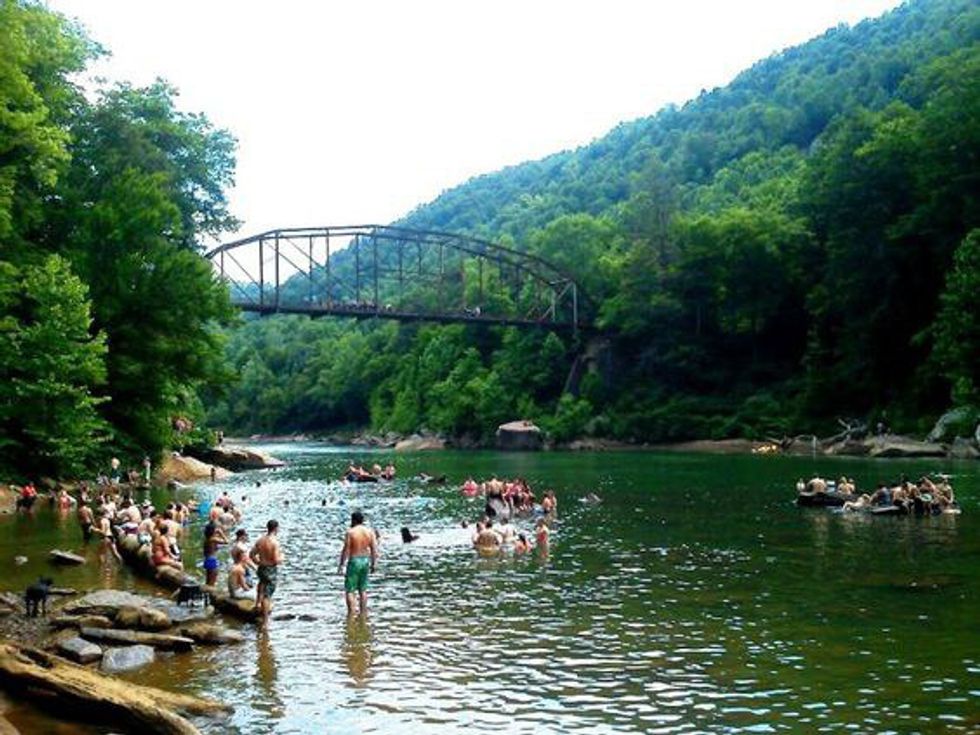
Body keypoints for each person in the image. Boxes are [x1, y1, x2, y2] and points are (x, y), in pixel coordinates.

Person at [337, 511, 378, 617]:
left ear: (353, 520)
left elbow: (346, 549)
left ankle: (351, 614)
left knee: (350, 590)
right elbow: (374, 549)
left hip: (354, 561)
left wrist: (341, 564)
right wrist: (374, 564)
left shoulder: (350, 532)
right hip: (365, 561)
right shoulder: (370, 532)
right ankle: (363, 613)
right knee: (363, 589)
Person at [251, 519, 284, 626]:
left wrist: (258, 562)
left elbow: (251, 554)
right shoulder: (275, 542)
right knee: (267, 595)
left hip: (262, 567)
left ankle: (257, 604)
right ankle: (265, 621)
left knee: (261, 584)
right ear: (276, 528)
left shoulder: (260, 540)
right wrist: (282, 558)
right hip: (270, 569)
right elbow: (275, 560)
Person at [203, 521, 228, 586]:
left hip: (207, 560)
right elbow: (226, 541)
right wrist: (221, 533)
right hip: (212, 561)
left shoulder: (208, 539)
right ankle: (211, 592)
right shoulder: (213, 539)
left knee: (208, 581)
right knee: (212, 582)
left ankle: (206, 591)